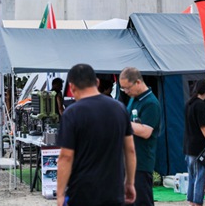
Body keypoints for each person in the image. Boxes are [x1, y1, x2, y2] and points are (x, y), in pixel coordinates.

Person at [56, 63, 136, 206]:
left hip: (82, 192)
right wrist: (129, 183)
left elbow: (66, 157)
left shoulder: (72, 113)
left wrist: (60, 193)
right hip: (114, 191)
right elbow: (130, 149)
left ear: (72, 87)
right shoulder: (119, 109)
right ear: (97, 82)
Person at [119, 67, 162, 206]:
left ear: (138, 82)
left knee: (142, 201)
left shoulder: (151, 103)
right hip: (128, 160)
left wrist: (120, 121)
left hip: (141, 162)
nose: (126, 91)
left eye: (127, 88)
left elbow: (145, 131)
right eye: (123, 89)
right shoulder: (134, 98)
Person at [183, 79, 205, 206]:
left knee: (192, 175)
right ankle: (197, 202)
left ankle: (191, 200)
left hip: (188, 145)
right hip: (199, 146)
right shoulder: (200, 104)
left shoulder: (189, 104)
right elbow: (203, 126)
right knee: (200, 175)